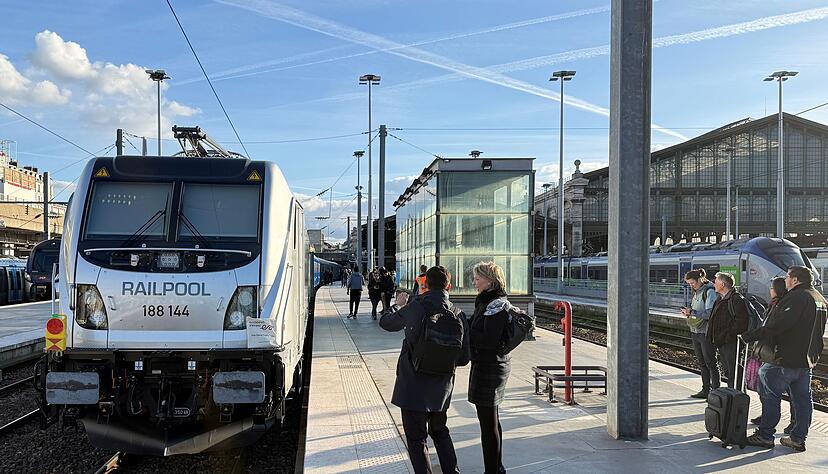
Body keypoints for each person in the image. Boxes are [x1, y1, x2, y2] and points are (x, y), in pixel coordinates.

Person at [379, 266, 469, 474]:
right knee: (440, 431)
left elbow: (386, 323)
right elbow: (464, 358)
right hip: (442, 387)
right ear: (449, 286)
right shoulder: (458, 314)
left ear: (425, 284)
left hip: (413, 385)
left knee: (417, 438)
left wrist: (397, 305)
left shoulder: (416, 306)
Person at [743, 266, 827, 451]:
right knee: (803, 400)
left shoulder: (798, 297)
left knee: (770, 396)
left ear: (795, 280)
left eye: (787, 277)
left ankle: (765, 435)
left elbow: (778, 325)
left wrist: (750, 335)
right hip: (806, 360)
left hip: (784, 358)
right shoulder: (819, 299)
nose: (785, 280)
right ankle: (798, 438)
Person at [468, 261, 512, 474]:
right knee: (491, 419)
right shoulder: (488, 302)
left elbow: (489, 339)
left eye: (477, 278)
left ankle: (492, 471)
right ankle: (497, 467)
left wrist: (467, 334)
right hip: (488, 364)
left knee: (487, 423)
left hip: (490, 367)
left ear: (490, 280)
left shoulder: (495, 305)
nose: (474, 282)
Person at [750, 277, 789, 427]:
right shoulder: (772, 304)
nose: (769, 290)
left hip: (775, 353)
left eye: (772, 288)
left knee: (773, 391)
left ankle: (769, 427)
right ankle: (766, 416)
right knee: (764, 389)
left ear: (778, 289)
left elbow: (772, 328)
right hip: (766, 351)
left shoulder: (781, 305)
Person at [681, 268, 719, 399]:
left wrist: (692, 313)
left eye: (692, 283)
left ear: (700, 279)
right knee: (702, 362)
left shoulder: (709, 292)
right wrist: (689, 311)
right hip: (695, 331)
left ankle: (715, 390)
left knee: (710, 362)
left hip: (705, 332)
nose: (691, 285)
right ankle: (705, 389)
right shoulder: (697, 292)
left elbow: (709, 313)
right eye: (689, 284)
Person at [707, 272, 749, 389]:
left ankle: (738, 400)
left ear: (723, 284)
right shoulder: (720, 299)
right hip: (723, 343)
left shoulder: (736, 300)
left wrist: (727, 337)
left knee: (735, 374)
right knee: (729, 373)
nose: (713, 284)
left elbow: (741, 323)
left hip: (731, 344)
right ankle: (733, 400)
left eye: (716, 282)